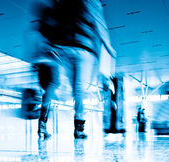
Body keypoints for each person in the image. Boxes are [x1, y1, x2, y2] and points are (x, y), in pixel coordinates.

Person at [32, 0, 116, 139]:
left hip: (63, 48)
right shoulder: (92, 2)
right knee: (79, 89)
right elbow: (100, 25)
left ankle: (42, 125)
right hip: (84, 49)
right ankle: (79, 129)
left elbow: (52, 21)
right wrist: (108, 44)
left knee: (53, 85)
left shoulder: (60, 3)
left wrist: (50, 46)